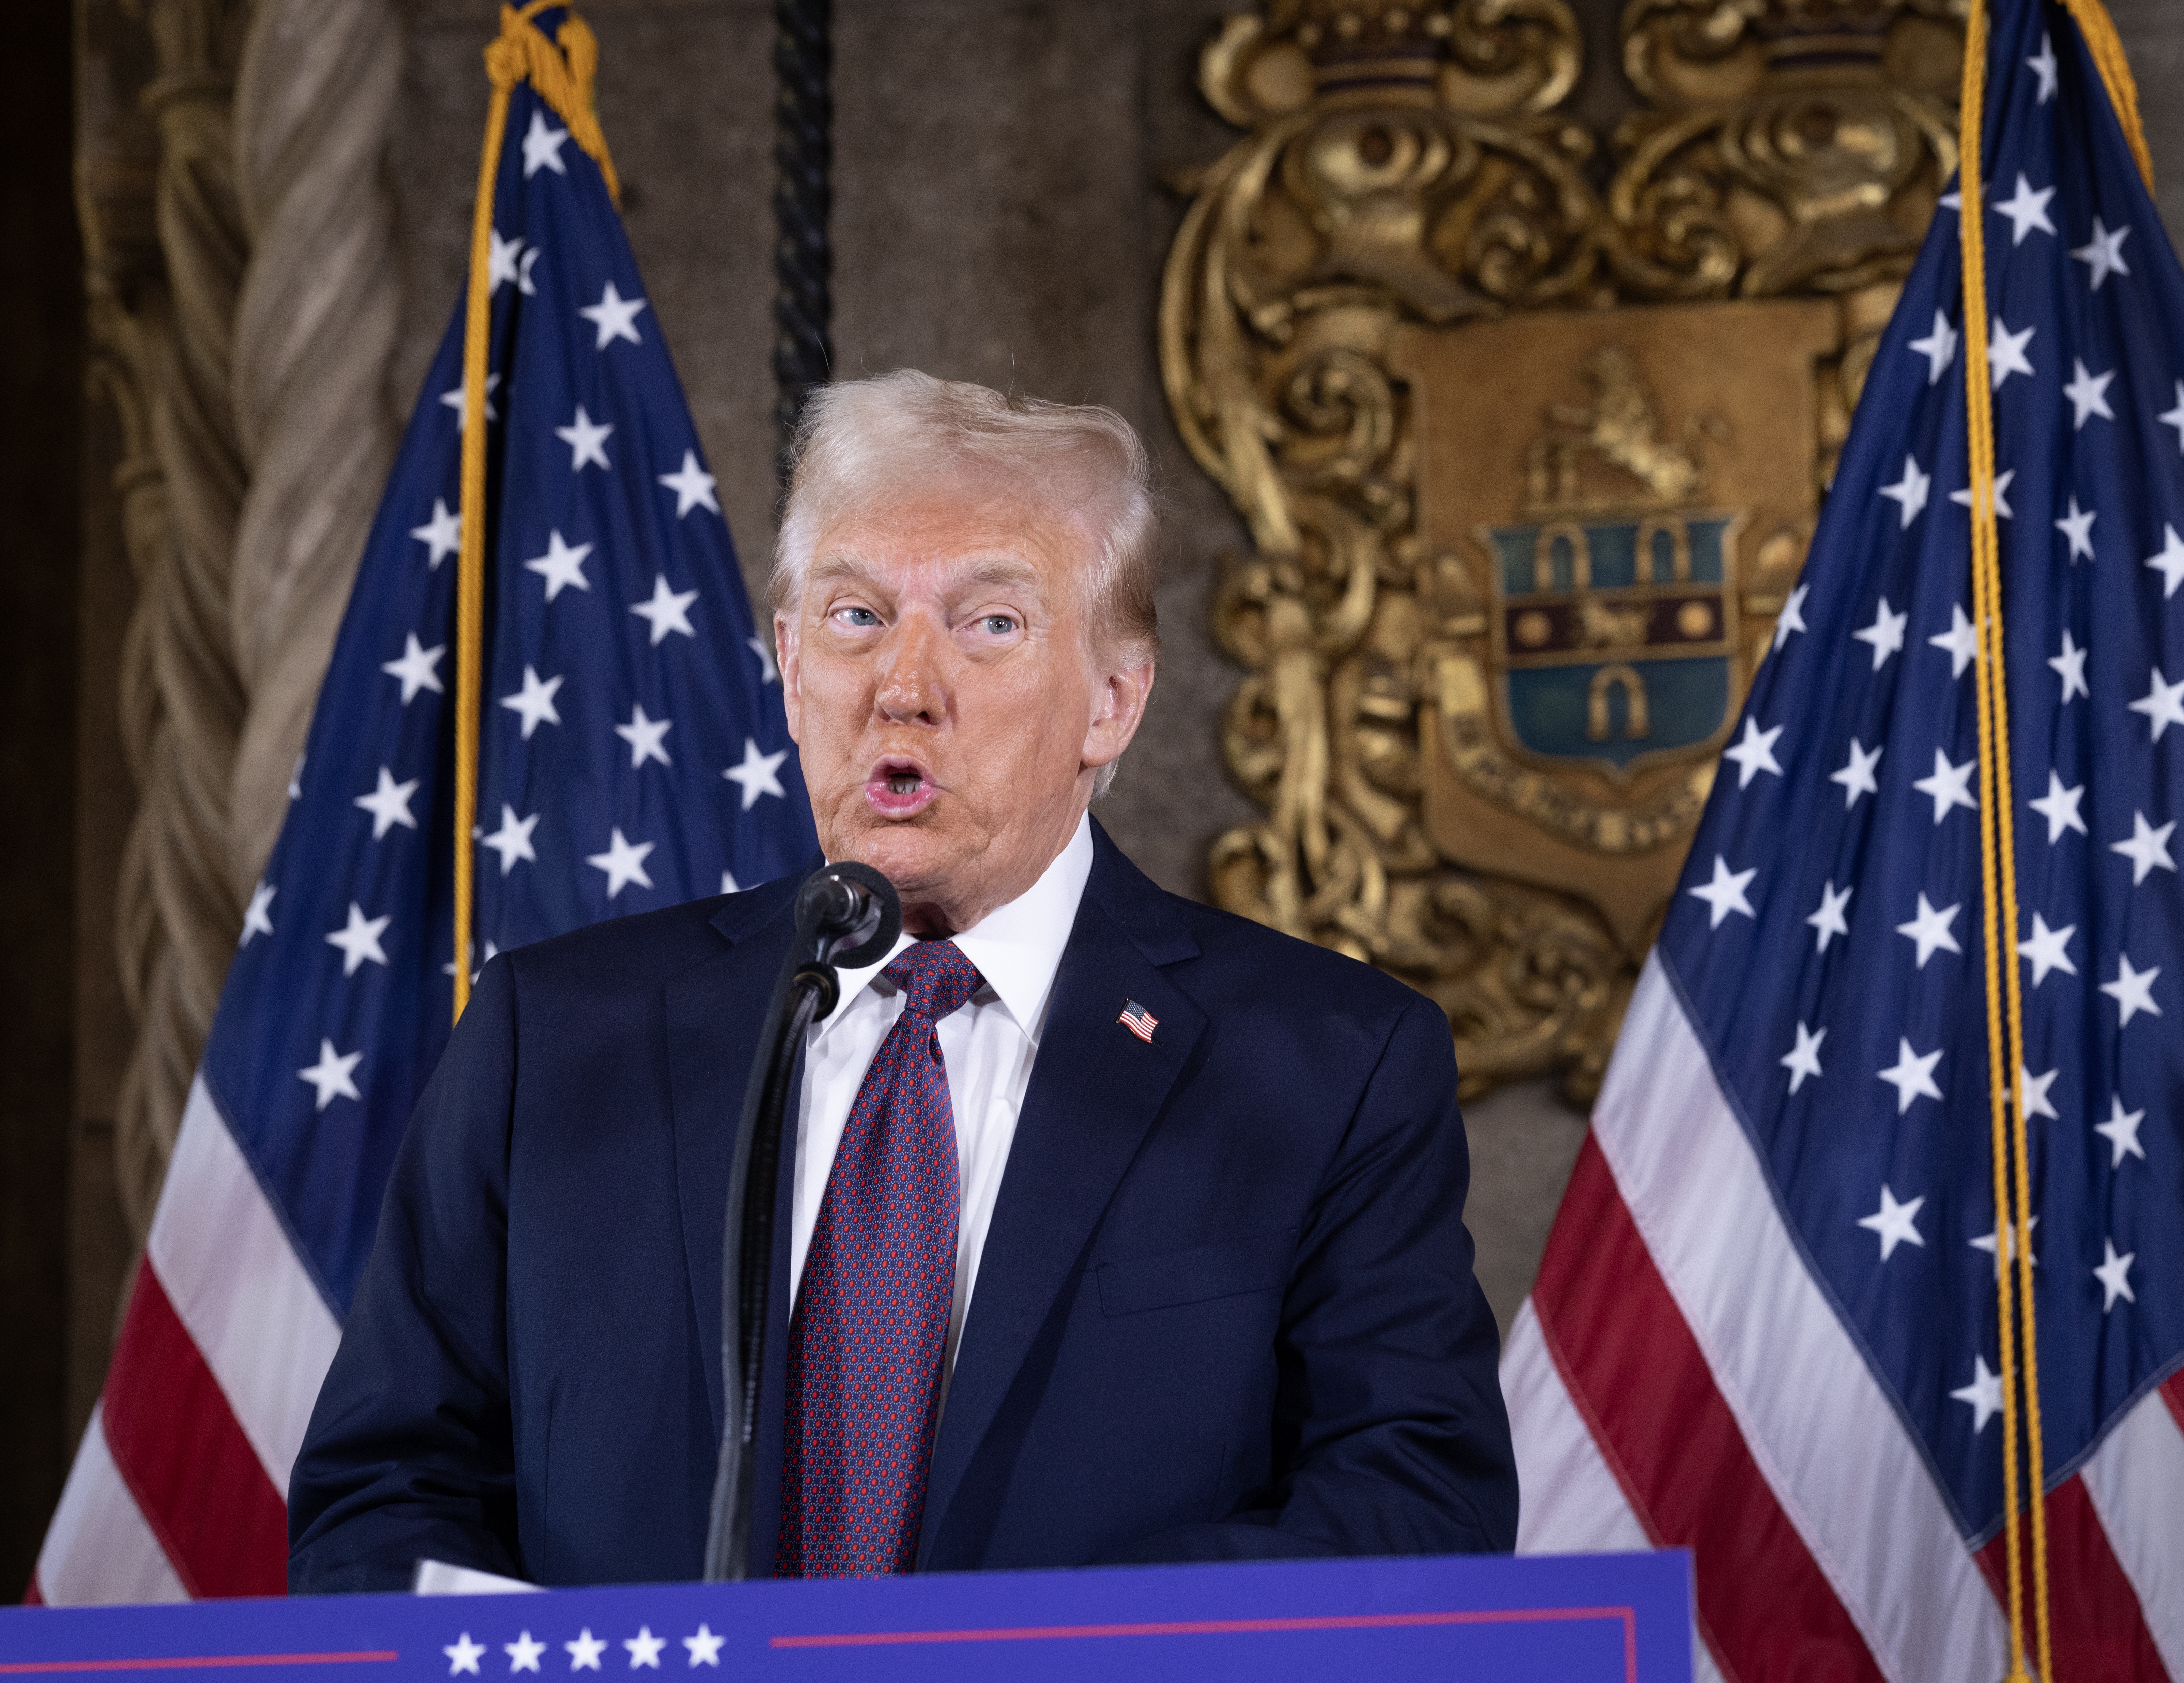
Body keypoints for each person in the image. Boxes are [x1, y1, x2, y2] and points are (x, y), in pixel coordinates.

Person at [288, 371, 1516, 1589]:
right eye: (855, 616)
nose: (903, 687)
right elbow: (385, 1493)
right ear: (787, 664)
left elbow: (1409, 1501)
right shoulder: (553, 1038)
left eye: (990, 624)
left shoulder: (1327, 1067)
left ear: (1113, 699)